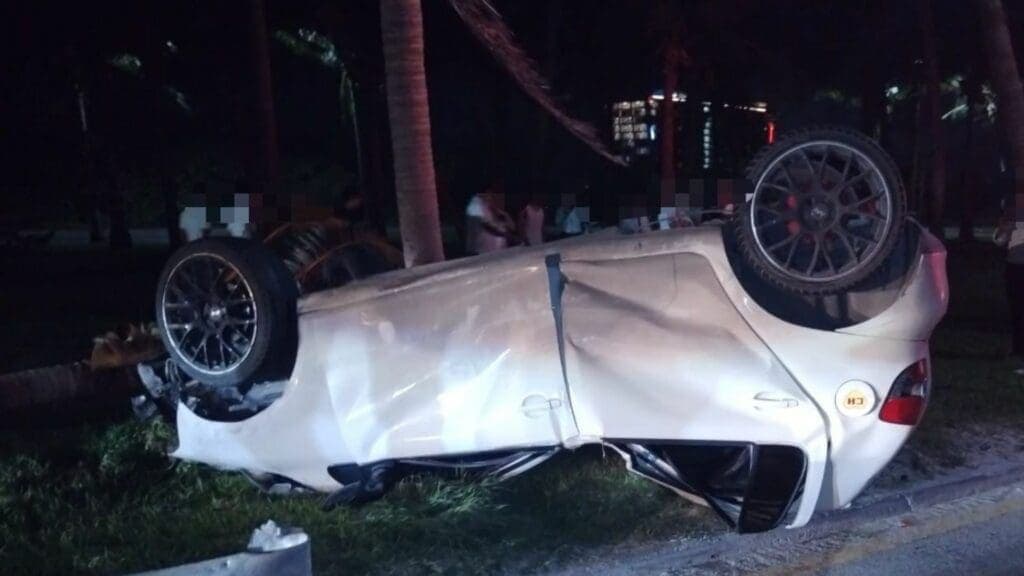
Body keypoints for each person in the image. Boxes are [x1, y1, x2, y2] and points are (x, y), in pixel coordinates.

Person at [995, 207, 1024, 376]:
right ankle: (1018, 347)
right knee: (1016, 309)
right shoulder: (1013, 212)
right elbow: (999, 240)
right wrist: (1004, 229)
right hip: (1014, 265)